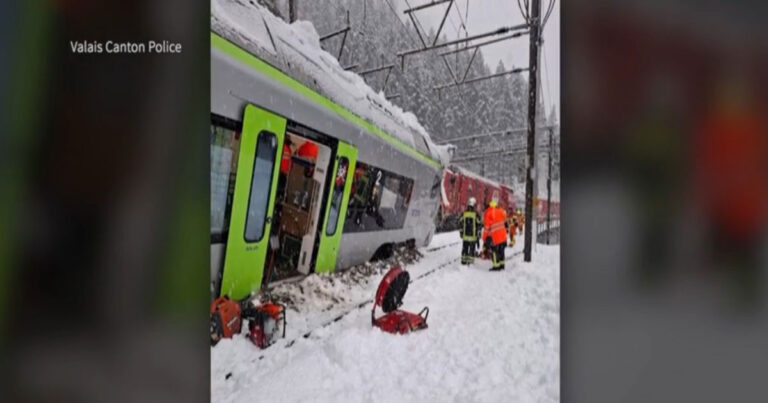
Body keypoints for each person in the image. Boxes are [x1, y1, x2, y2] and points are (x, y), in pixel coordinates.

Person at [483, 199, 509, 271]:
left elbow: (487, 228)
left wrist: (484, 238)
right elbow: (504, 218)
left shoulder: (488, 213)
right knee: (501, 251)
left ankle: (496, 266)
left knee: (495, 251)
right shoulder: (500, 211)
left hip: (495, 237)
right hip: (503, 236)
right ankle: (502, 265)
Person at [458, 197, 481, 265]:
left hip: (465, 236)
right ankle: (470, 262)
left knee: (465, 248)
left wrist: (461, 232)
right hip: (473, 236)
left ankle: (463, 261)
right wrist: (478, 234)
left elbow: (460, 222)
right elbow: (479, 224)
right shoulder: (476, 214)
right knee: (471, 249)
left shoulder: (464, 213)